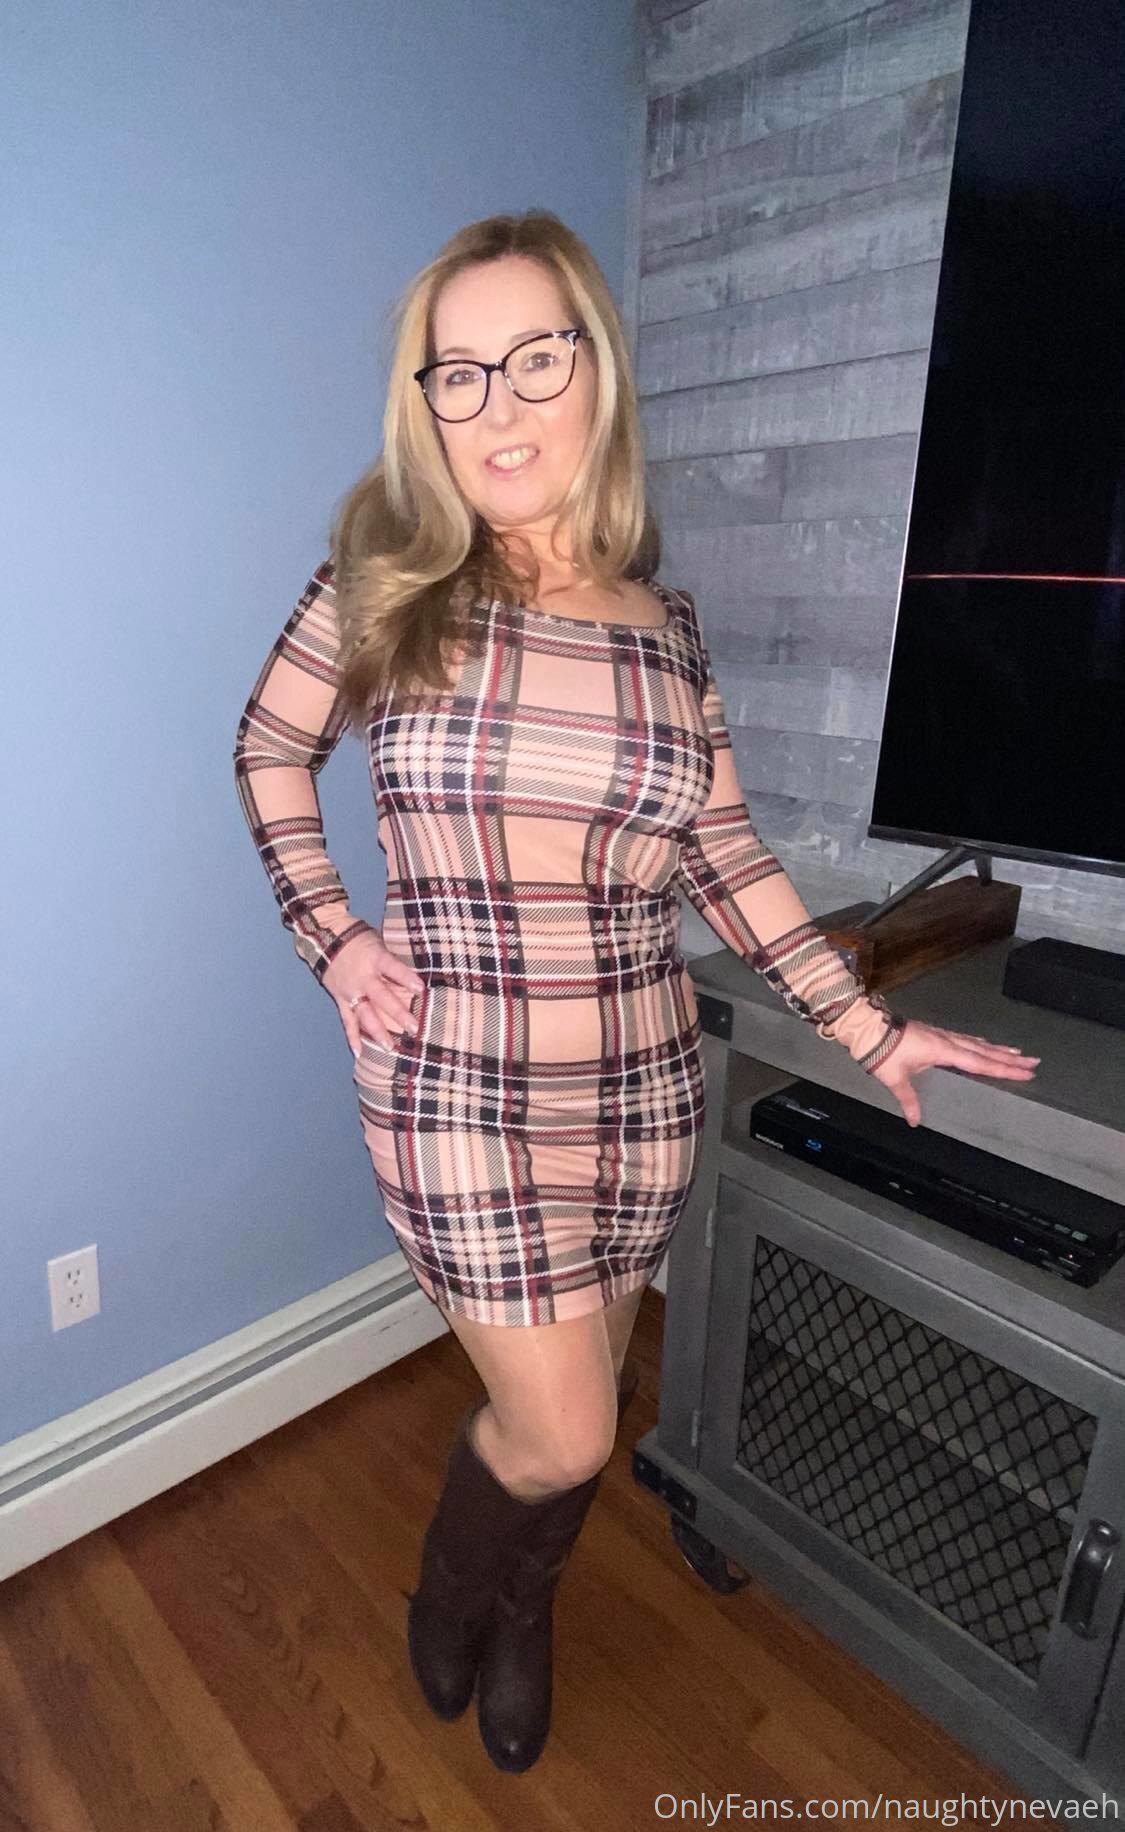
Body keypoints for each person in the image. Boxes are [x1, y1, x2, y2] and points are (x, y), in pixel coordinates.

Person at [231, 210, 1041, 1773]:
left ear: (593, 371)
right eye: (458, 373)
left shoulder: (666, 629)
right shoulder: (380, 583)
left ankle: (521, 1608)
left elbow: (721, 853)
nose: (498, 403)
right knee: (565, 1430)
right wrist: (330, 933)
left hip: (639, 1087)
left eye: (534, 358)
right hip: (456, 1087)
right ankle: (453, 1589)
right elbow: (268, 750)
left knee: (581, 1404)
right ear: (424, 403)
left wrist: (865, 1025)